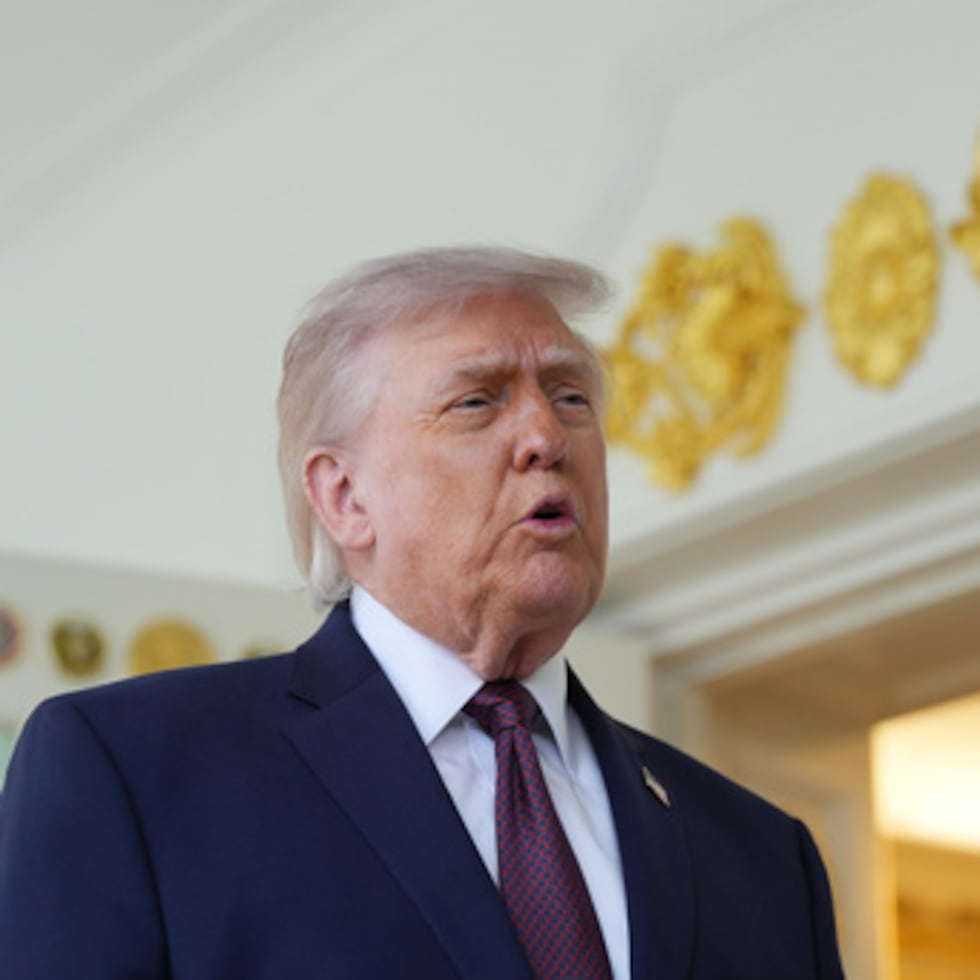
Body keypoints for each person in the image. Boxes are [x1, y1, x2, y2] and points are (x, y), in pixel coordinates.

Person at [0, 246, 845, 978]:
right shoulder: (136, 774)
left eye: (571, 397)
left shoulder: (763, 857)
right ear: (344, 497)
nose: (546, 437)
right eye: (477, 402)